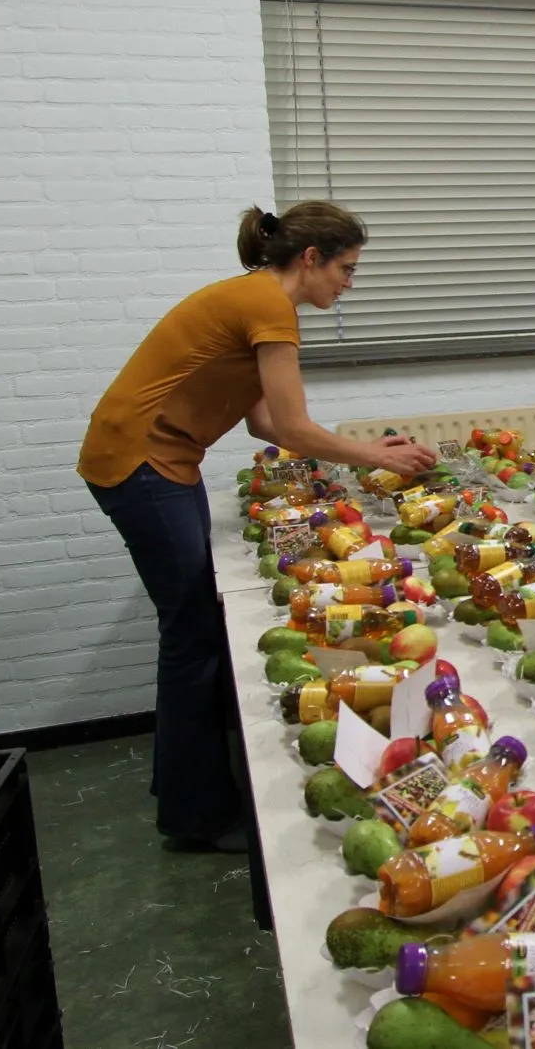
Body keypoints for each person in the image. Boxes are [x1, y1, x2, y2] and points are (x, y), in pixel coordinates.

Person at [78, 202, 437, 852]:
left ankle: (188, 790)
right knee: (189, 634)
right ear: (310, 259)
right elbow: (293, 431)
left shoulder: (253, 301)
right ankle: (196, 817)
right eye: (346, 271)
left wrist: (366, 453)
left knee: (193, 628)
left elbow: (265, 425)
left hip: (158, 460)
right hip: (139, 462)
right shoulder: (267, 307)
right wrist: (376, 456)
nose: (347, 286)